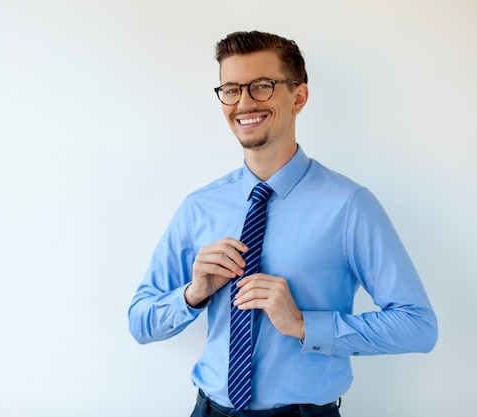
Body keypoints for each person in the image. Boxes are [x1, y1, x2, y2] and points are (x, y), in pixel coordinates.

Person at [128, 31, 437, 417]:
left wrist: (305, 324)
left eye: (261, 86)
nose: (243, 103)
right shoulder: (199, 207)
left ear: (299, 97)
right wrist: (193, 294)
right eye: (231, 89)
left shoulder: (349, 207)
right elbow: (140, 322)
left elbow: (418, 326)